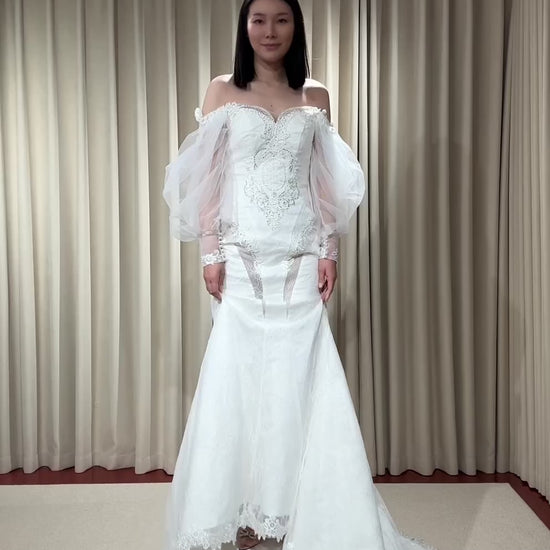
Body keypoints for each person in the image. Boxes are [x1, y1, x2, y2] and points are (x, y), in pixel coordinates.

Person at [162, 1, 436, 549]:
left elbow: (323, 181)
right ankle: (242, 515)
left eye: (281, 20)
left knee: (300, 383)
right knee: (238, 382)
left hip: (299, 260)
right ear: (245, 27)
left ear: (296, 27)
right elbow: (209, 175)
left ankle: (288, 512)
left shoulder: (316, 96)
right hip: (242, 260)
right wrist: (210, 251)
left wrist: (329, 250)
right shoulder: (222, 90)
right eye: (259, 20)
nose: (270, 31)